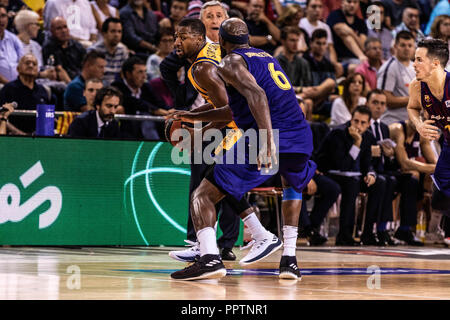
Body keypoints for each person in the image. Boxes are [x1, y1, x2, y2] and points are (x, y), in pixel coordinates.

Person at [170, 18, 316, 281]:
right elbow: (233, 109)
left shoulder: (229, 62)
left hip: (269, 134)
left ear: (223, 42)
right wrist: (191, 116)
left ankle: (209, 259)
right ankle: (289, 261)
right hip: (301, 136)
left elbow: (257, 96)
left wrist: (266, 140)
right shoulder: (267, 57)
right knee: (291, 185)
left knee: (202, 195)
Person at [315, 105, 383, 246]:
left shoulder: (369, 136)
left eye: (363, 123)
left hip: (353, 175)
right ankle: (344, 236)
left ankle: (368, 233)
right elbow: (343, 164)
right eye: (355, 121)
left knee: (380, 183)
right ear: (350, 120)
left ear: (369, 124)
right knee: (351, 185)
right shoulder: (338, 133)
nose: (358, 126)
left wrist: (370, 174)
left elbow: (367, 162)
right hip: (332, 173)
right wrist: (357, 143)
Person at [407, 38, 450, 218]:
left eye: (419, 60)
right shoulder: (417, 87)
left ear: (435, 63)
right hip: (448, 144)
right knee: (439, 197)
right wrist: (419, 125)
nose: (414, 64)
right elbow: (412, 108)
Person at [365, 89, 398, 246]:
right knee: (383, 181)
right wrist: (369, 151)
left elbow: (388, 158)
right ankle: (369, 230)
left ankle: (384, 228)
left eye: (382, 104)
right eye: (375, 103)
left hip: (382, 169)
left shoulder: (385, 128)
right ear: (367, 104)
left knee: (402, 180)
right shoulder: (362, 123)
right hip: (366, 169)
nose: (378, 107)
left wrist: (390, 154)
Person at [111, 55, 169, 139]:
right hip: (126, 130)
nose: (144, 76)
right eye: (140, 72)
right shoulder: (117, 87)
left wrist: (170, 110)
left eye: (145, 72)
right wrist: (155, 110)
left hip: (148, 129)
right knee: (146, 118)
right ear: (128, 74)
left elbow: (159, 102)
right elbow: (133, 102)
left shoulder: (146, 87)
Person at [0, 54, 53, 135]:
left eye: (34, 64)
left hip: (39, 139)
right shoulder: (8, 89)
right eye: (27, 63)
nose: (31, 66)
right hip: (14, 137)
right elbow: (2, 116)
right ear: (18, 69)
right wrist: (21, 135)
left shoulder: (43, 90)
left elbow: (48, 118)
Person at [377, 30, 416, 126]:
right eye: (403, 45)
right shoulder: (389, 67)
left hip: (412, 122)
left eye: (410, 46)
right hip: (393, 122)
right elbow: (385, 99)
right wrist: (414, 99)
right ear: (395, 46)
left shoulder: (415, 67)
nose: (407, 49)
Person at [275, 26, 312, 119]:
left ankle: (307, 132)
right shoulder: (275, 62)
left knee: (309, 101)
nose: (295, 44)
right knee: (306, 102)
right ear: (283, 41)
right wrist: (299, 90)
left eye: (297, 40)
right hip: (282, 97)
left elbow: (307, 86)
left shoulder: (303, 62)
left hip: (300, 95)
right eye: (292, 40)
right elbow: (278, 88)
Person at [300, 0, 342, 76]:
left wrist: (334, 64)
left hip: (323, 60)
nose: (317, 10)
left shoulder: (325, 27)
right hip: (307, 58)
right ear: (306, 8)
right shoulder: (301, 24)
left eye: (320, 7)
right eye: (314, 7)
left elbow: (330, 48)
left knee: (338, 67)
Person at [301, 28, 338, 118]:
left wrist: (328, 96)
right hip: (308, 97)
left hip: (322, 99)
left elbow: (334, 90)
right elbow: (304, 85)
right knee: (330, 82)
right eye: (318, 43)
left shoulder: (329, 65)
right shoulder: (304, 60)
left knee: (339, 100)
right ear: (311, 43)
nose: (321, 47)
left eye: (324, 43)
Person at [42, 17, 86, 83]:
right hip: (65, 83)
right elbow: (59, 70)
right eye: (59, 28)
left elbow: (87, 65)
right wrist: (72, 87)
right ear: (52, 31)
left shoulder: (77, 45)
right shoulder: (49, 47)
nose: (63, 31)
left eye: (65, 27)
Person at [326, 0, 368, 68]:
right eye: (349, 2)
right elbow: (342, 31)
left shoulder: (360, 22)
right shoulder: (335, 15)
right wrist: (361, 55)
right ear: (342, 3)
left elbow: (363, 46)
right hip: (340, 59)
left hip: (357, 59)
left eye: (355, 2)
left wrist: (352, 33)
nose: (352, 5)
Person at [89, 17, 129, 85]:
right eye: (113, 31)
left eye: (119, 32)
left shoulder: (123, 50)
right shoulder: (94, 50)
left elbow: (124, 75)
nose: (116, 35)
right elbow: (91, 76)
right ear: (104, 33)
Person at [0, 4, 24, 85]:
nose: (1, 20)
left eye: (3, 16)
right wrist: (10, 86)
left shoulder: (13, 38)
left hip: (17, 84)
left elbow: (22, 63)